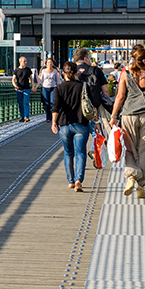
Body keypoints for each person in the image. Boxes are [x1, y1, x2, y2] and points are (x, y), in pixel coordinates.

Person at [111, 44, 145, 200]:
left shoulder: (125, 74)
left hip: (128, 116)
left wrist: (113, 116)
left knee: (130, 149)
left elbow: (120, 97)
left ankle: (131, 177)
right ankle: (141, 185)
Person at [50, 61, 90, 192]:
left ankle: (71, 181)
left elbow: (55, 107)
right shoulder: (83, 86)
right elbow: (92, 103)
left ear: (63, 74)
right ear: (77, 73)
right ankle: (79, 179)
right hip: (81, 123)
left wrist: (54, 122)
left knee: (68, 153)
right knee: (80, 153)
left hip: (64, 124)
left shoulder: (59, 88)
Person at [39, 57, 61, 122]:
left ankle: (52, 117)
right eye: (48, 62)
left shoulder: (55, 71)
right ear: (46, 63)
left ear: (53, 63)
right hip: (45, 88)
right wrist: (36, 87)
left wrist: (60, 88)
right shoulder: (43, 71)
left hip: (53, 87)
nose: (49, 64)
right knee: (47, 103)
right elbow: (41, 80)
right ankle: (48, 117)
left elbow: (58, 81)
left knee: (52, 103)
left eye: (51, 62)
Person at [12, 56, 34, 122]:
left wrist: (33, 86)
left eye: (26, 61)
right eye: (24, 61)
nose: (26, 62)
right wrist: (15, 86)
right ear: (20, 62)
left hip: (26, 88)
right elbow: (13, 79)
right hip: (19, 89)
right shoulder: (16, 70)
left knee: (26, 103)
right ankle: (22, 116)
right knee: (20, 103)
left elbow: (31, 79)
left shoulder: (28, 70)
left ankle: (27, 117)